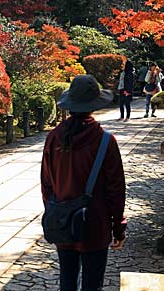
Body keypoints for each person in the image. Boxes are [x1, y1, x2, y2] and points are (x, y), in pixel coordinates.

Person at [42, 74, 127, 291]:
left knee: (67, 282)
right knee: (92, 285)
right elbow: (115, 190)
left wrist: (55, 214)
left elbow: (47, 183)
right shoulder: (105, 141)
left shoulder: (54, 138)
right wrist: (118, 227)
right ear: (94, 105)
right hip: (95, 224)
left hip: (63, 221)